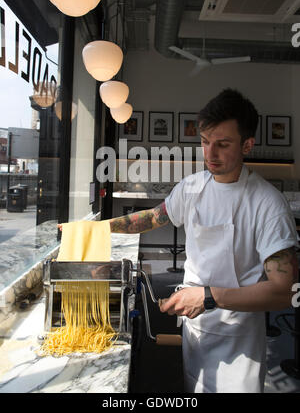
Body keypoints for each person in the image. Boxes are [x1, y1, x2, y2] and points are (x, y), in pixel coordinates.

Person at [61, 88, 299, 393]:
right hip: (195, 328)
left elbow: (284, 292)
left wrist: (208, 296)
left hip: (239, 339)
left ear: (247, 145)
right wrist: (94, 229)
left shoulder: (267, 203)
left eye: (223, 144)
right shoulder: (191, 188)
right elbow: (151, 218)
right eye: (204, 142)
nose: (210, 154)